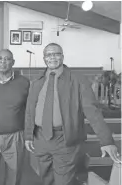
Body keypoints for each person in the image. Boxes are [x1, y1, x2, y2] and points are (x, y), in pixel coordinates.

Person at [24, 43, 121, 185]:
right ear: (44, 58)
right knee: (46, 178)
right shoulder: (37, 82)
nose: (52, 57)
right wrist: (28, 135)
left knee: (63, 181)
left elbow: (92, 111)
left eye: (56, 54)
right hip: (41, 138)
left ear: (62, 56)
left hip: (65, 139)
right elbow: (30, 110)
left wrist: (106, 140)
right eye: (48, 55)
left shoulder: (77, 80)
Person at [0, 49, 30, 185]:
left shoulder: (24, 83)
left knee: (14, 176)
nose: (3, 61)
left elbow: (29, 110)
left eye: (7, 59)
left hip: (15, 137)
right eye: (0, 59)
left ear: (13, 62)